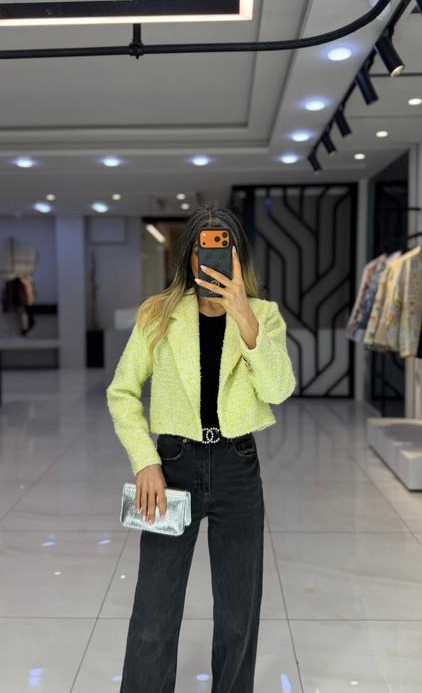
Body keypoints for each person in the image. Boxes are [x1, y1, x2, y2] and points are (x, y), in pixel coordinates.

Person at [106, 203, 296, 693]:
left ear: (237, 256)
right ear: (188, 257)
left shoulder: (264, 316)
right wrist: (145, 461)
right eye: (201, 249)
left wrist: (244, 317)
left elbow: (279, 390)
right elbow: (122, 391)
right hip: (173, 468)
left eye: (221, 248)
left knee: (238, 613)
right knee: (154, 612)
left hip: (238, 467)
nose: (209, 259)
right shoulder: (158, 314)